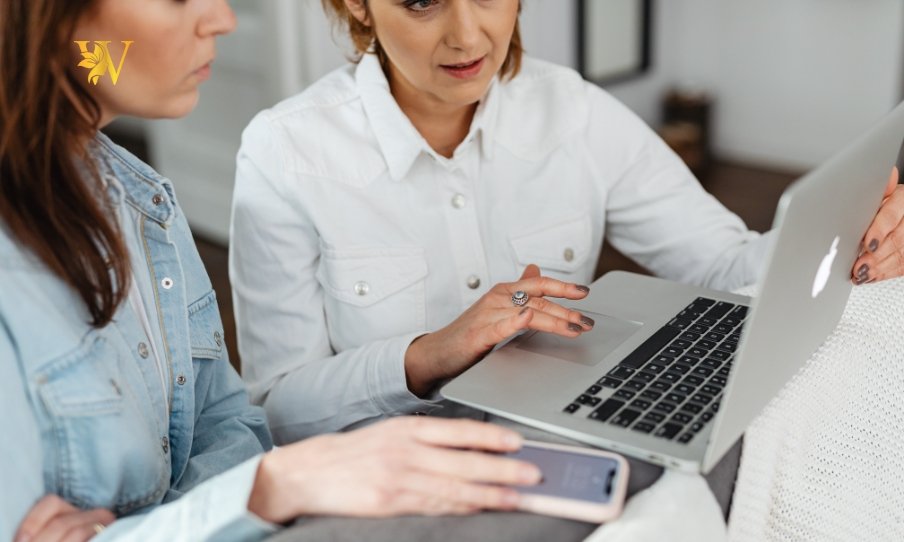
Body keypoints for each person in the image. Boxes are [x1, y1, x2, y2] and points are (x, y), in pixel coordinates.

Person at [229, 0, 904, 444]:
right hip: (391, 477)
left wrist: (857, 235)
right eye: (423, 2)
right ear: (357, 5)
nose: (468, 36)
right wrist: (430, 354)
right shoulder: (285, 153)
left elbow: (725, 265)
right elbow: (278, 409)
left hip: (568, 446)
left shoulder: (574, 111)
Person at [0, 1, 545, 541]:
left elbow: (229, 427)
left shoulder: (143, 205)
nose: (223, 19)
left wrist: (169, 521)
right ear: (52, 18)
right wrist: (271, 487)